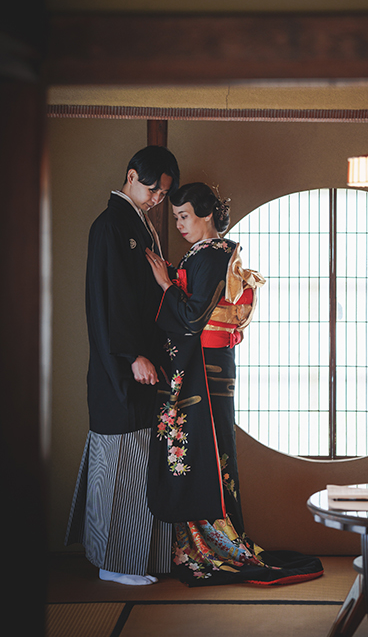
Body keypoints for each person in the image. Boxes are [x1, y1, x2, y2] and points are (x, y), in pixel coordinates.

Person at [145, 182, 324, 586]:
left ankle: (214, 544)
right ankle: (199, 541)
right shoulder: (205, 253)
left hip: (205, 367)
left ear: (207, 214)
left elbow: (193, 317)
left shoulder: (213, 253)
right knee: (201, 449)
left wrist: (166, 285)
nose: (180, 224)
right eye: (176, 217)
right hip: (207, 364)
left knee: (205, 450)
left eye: (184, 216)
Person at [65, 145, 181, 586]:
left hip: (140, 361)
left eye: (163, 194)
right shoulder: (110, 225)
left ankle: (134, 558)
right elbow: (108, 300)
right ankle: (114, 562)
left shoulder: (138, 224)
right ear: (131, 176)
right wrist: (131, 355)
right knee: (118, 464)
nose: (157, 199)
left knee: (137, 462)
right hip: (122, 365)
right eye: (152, 189)